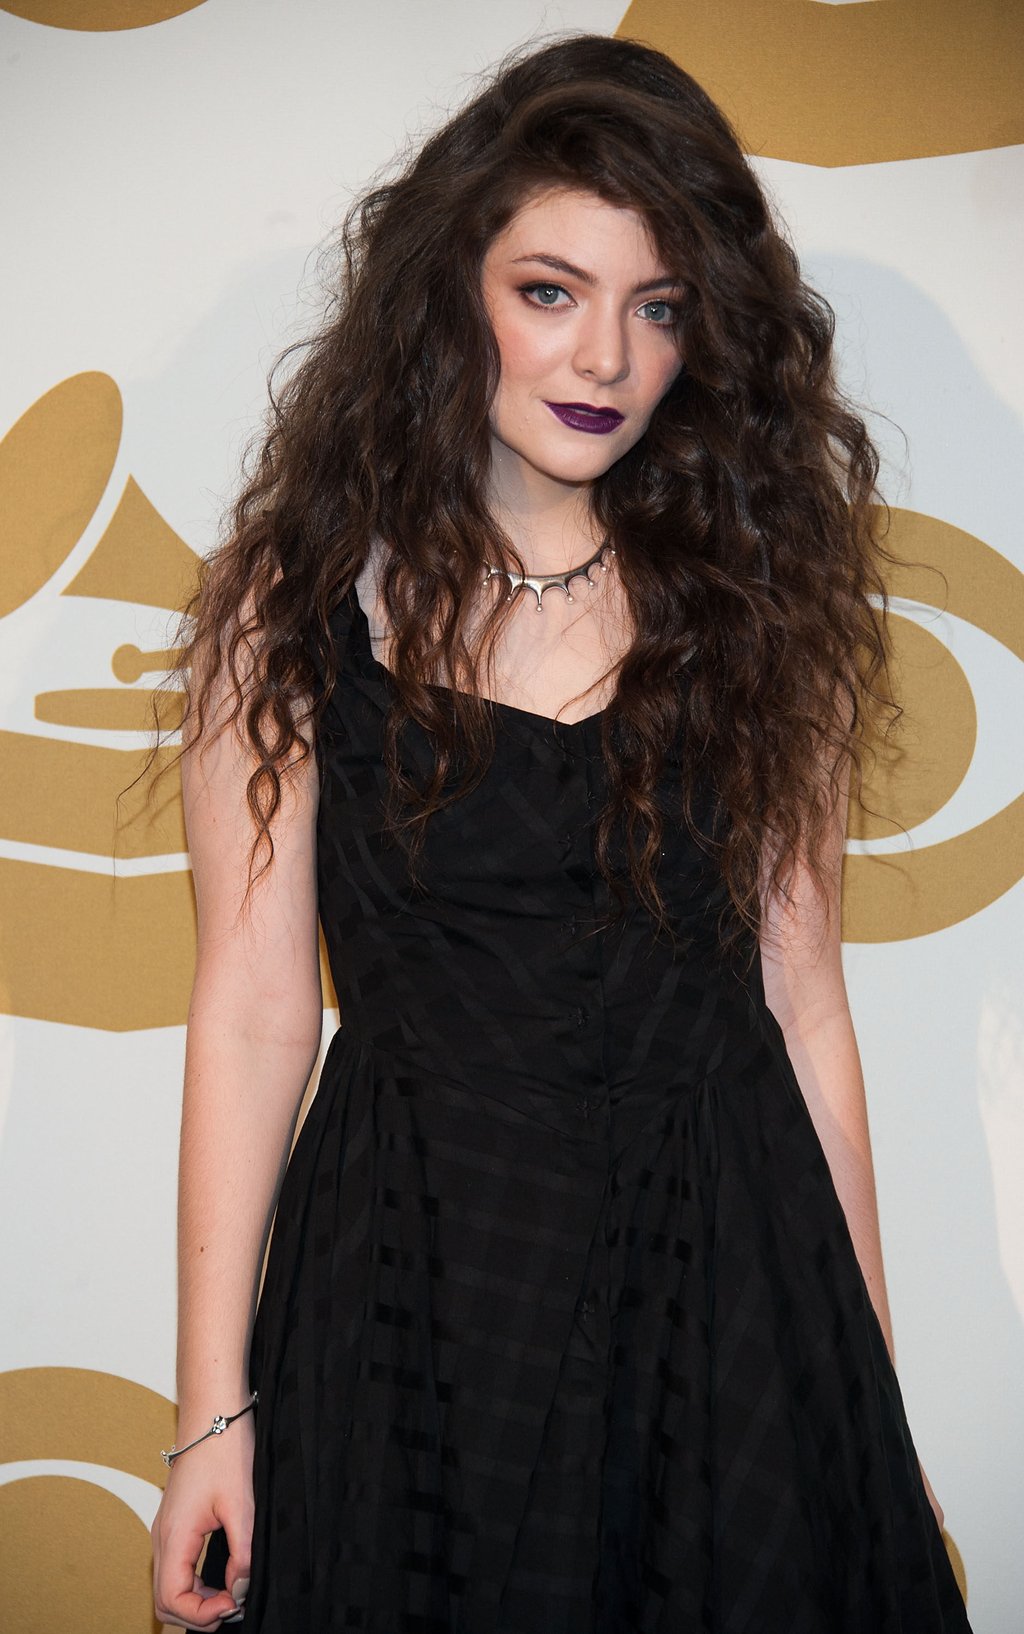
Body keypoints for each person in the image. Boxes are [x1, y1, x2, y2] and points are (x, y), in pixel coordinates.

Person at [150, 31, 972, 1634]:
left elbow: (806, 1006)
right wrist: (212, 1415)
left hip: (722, 1277)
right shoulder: (292, 608)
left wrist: (864, 1408)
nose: (605, 354)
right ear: (448, 292)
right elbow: (251, 1010)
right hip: (417, 1279)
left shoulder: (759, 610)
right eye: (551, 290)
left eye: (659, 306)